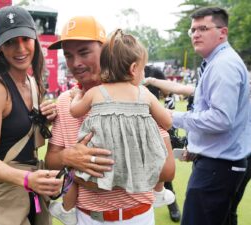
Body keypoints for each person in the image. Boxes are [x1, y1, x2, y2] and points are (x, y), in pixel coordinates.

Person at [46, 16, 175, 225]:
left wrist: (89, 174)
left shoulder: (138, 97)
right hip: (87, 218)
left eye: (84, 52)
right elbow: (51, 160)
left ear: (105, 50)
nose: (75, 63)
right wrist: (68, 157)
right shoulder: (65, 101)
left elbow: (167, 170)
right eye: (68, 55)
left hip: (137, 215)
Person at [0, 6, 62, 225]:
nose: (20, 49)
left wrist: (46, 116)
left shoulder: (33, 83)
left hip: (32, 194)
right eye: (10, 42)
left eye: (25, 39)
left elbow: (26, 135)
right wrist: (27, 179)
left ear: (34, 40)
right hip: (4, 196)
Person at [171, 7, 251, 225]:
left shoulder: (223, 65)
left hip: (218, 168)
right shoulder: (218, 62)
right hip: (219, 165)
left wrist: (171, 117)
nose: (195, 34)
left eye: (203, 28)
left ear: (222, 32)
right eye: (193, 29)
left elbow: (221, 120)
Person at [144, 65, 181, 222]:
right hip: (134, 124)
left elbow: (168, 94)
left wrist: (165, 111)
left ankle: (172, 204)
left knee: (162, 168)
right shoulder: (121, 69)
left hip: (156, 122)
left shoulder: (154, 72)